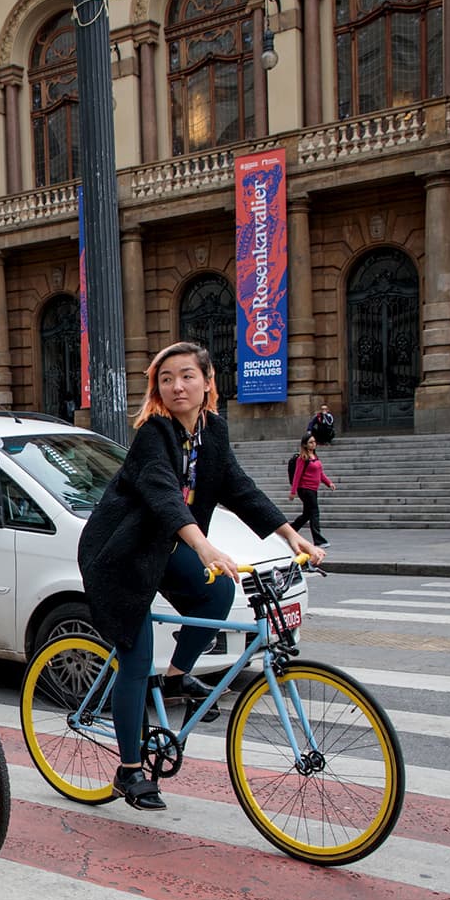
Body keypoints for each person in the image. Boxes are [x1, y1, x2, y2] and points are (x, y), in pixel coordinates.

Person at [78, 341, 324, 812]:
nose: (176, 386)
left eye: (187, 375)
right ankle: (131, 771)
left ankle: (176, 679)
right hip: (121, 554)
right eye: (166, 378)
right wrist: (204, 545)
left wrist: (290, 536)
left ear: (208, 382)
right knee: (135, 657)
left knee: (218, 593)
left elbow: (240, 488)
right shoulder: (154, 432)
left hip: (166, 545)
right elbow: (164, 495)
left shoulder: (213, 432)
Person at [287, 434, 336, 546]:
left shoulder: (314, 456)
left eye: (314, 442)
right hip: (305, 489)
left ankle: (290, 530)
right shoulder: (302, 459)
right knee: (314, 513)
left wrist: (329, 483)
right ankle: (318, 540)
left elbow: (320, 474)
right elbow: (297, 476)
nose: (314, 444)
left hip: (313, 489)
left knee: (307, 514)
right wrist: (293, 492)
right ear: (305, 444)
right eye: (311, 442)